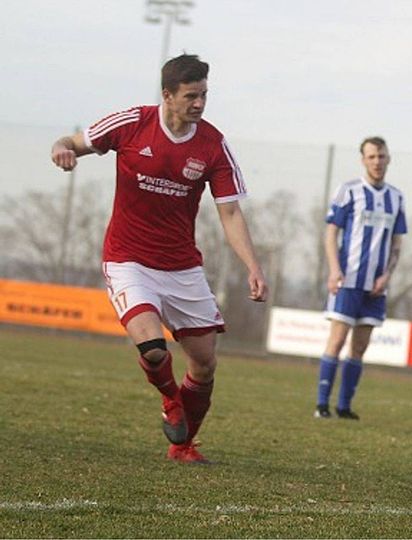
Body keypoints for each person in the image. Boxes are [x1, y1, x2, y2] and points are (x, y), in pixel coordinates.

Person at [49, 54, 268, 464]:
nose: (199, 104)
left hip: (182, 267)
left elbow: (230, 212)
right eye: (191, 96)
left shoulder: (214, 145)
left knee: (204, 365)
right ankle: (172, 401)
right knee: (152, 348)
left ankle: (182, 446)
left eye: (204, 95)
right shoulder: (132, 123)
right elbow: (72, 142)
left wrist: (252, 266)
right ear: (167, 95)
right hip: (128, 259)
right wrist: (61, 148)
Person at [314, 137, 406, 420]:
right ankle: (322, 405)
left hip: (376, 286)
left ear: (388, 159)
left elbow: (397, 242)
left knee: (360, 346)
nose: (377, 161)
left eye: (381, 156)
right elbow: (331, 232)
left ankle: (344, 406)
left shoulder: (396, 197)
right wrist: (334, 269)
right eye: (371, 157)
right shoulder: (349, 191)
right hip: (348, 279)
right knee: (337, 340)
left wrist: (387, 276)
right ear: (363, 160)